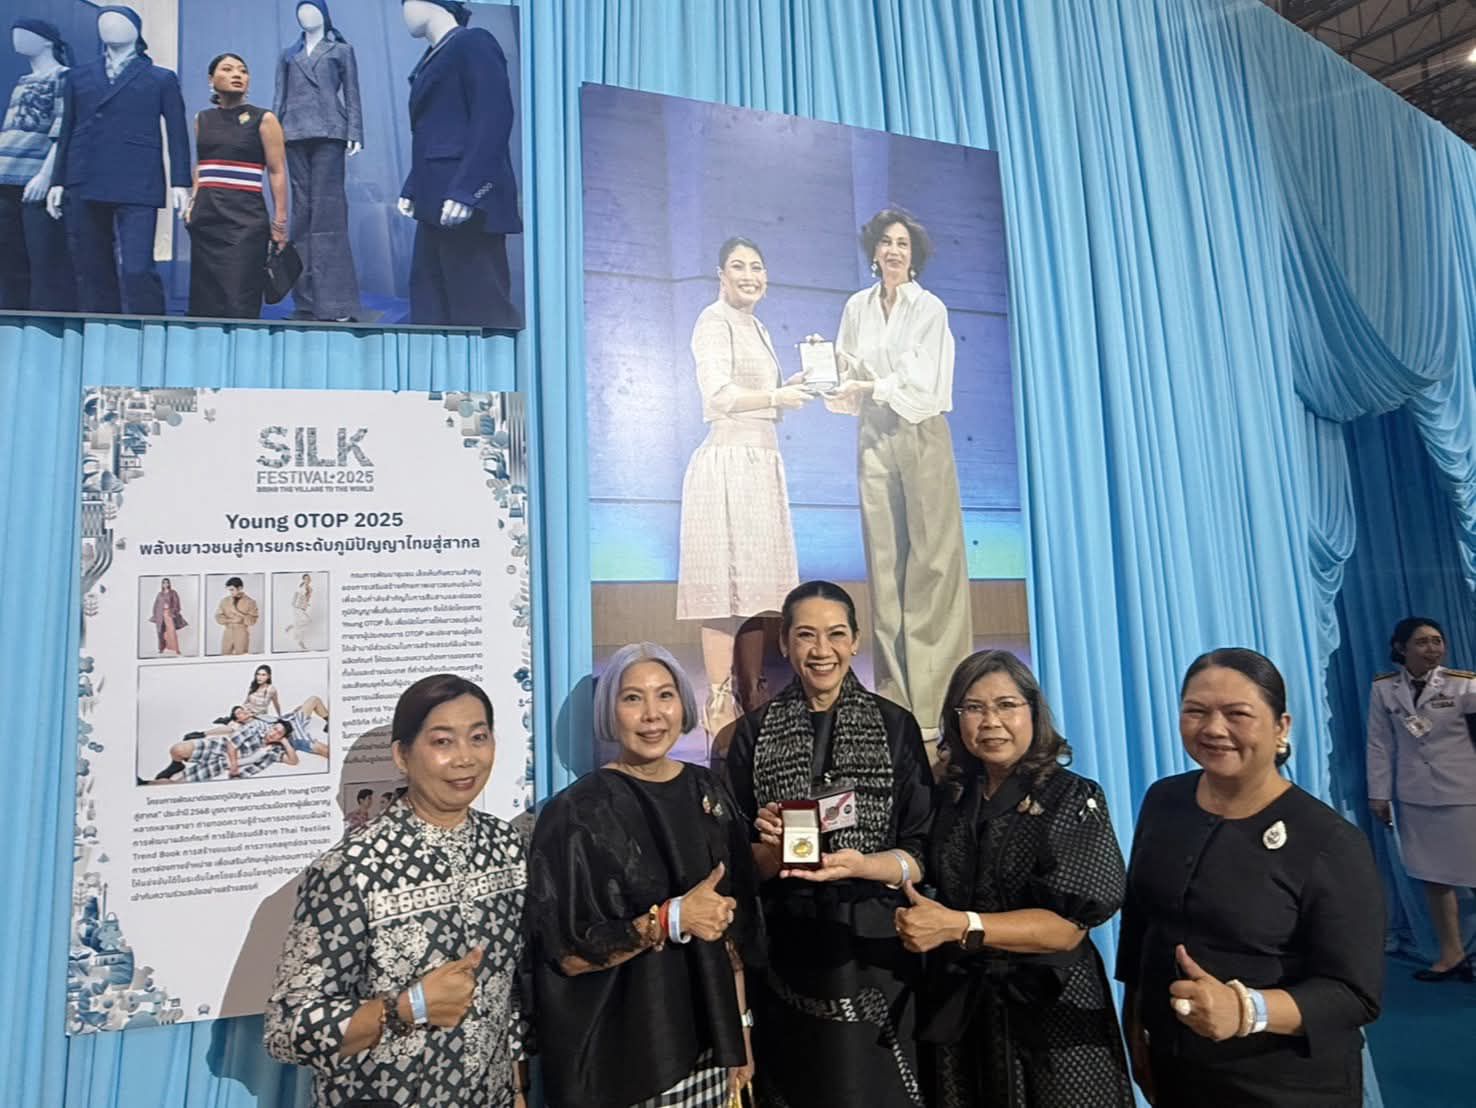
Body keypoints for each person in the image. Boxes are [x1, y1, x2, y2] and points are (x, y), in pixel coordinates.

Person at [1118, 648, 1384, 1107]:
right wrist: (1134, 1024)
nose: (1213, 728)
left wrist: (1246, 1010)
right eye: (1196, 711)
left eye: (1237, 714)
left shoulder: (1329, 841)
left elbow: (1354, 995)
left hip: (1285, 1083)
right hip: (1176, 1065)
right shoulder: (1164, 801)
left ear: (1281, 727)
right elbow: (1142, 924)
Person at [265, 673, 531, 1107]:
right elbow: (287, 1029)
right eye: (443, 742)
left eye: (478, 737)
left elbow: (509, 992)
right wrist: (407, 1008)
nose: (466, 758)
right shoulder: (350, 869)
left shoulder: (506, 847)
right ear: (402, 755)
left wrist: (517, 1091)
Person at [726, 580, 934, 1107]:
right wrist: (772, 849)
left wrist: (863, 865)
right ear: (785, 643)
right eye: (806, 635)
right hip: (787, 951)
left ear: (856, 641)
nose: (822, 650)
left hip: (876, 947)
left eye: (836, 634)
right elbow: (737, 868)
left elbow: (920, 854)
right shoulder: (751, 735)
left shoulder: (895, 726)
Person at [528, 642, 761, 1107]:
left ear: (683, 704)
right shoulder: (575, 814)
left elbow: (730, 932)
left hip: (709, 1049)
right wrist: (671, 919)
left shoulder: (707, 791)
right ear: (609, 710)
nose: (652, 714)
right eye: (632, 698)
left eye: (665, 695)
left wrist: (741, 1032)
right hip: (621, 1061)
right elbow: (566, 952)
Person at [895, 650, 1132, 1106]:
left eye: (1006, 705)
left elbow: (1067, 928)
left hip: (1051, 1009)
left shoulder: (1071, 796)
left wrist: (960, 925)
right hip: (966, 1009)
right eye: (974, 708)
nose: (991, 721)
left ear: (1033, 712)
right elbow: (920, 861)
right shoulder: (952, 797)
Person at [823, 208, 971, 748]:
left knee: (931, 566)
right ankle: (895, 701)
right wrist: (826, 381)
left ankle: (937, 704)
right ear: (874, 250)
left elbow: (925, 384)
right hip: (874, 434)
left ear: (914, 254)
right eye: (886, 242)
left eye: (903, 243)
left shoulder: (929, 308)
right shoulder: (857, 307)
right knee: (884, 569)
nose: (893, 250)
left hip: (920, 430)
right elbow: (846, 375)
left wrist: (869, 386)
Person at [676, 236, 809, 744]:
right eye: (738, 266)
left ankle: (753, 697)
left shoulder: (757, 326)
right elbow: (719, 394)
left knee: (756, 593)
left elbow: (763, 397)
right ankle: (720, 707)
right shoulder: (713, 321)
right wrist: (777, 394)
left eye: (757, 266)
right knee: (723, 593)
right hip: (729, 463)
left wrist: (794, 386)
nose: (750, 275)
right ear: (721, 275)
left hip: (760, 462)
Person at [48, 5, 191, 315]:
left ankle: (151, 327)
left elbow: (177, 133)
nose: (109, 28)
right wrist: (57, 180)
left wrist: (181, 182)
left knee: (137, 269)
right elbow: (67, 129)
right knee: (92, 268)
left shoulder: (160, 78)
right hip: (84, 174)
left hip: (138, 178)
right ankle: (101, 327)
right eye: (104, 22)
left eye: (118, 22)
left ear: (136, 30)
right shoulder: (78, 76)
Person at [398, 0, 521, 328]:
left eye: (406, 2)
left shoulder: (474, 42)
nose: (404, 12)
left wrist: (468, 191)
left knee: (480, 308)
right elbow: (433, 132)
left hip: (465, 205)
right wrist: (413, 186)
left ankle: (493, 365)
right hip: (433, 203)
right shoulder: (432, 57)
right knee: (430, 308)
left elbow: (493, 117)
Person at [1367, 616, 1476, 981]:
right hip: (1415, 794)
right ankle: (1451, 954)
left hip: (1464, 792)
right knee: (1433, 876)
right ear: (1401, 648)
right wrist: (1379, 794)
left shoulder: (1465, 685)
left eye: (1437, 641)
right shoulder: (1385, 688)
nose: (1432, 649)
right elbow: (1379, 743)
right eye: (1423, 642)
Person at [273, 2, 362, 321]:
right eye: (301, 9)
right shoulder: (288, 54)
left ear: (324, 14)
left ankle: (336, 302)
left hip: (329, 131)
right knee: (302, 215)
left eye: (312, 8)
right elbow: (279, 96)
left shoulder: (341, 50)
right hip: (294, 132)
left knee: (329, 214)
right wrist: (273, 133)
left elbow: (352, 93)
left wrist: (355, 132)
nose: (305, 15)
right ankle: (307, 300)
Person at [186, 53, 288, 318]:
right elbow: (202, 164)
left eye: (242, 71)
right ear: (211, 79)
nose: (237, 75)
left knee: (238, 300)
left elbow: (277, 171)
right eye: (228, 69)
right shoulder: (202, 119)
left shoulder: (264, 119)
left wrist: (279, 223)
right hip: (207, 219)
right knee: (205, 302)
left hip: (245, 221)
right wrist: (193, 201)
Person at [0, 18, 75, 312]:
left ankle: (42, 322)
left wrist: (47, 175)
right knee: (9, 257)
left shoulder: (64, 77)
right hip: (6, 176)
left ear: (46, 41)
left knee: (43, 258)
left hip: (34, 180)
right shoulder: (23, 81)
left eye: (25, 34)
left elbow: (62, 129)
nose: (17, 40)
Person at [141, 716, 298, 784]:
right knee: (177, 749)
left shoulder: (273, 752)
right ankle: (176, 764)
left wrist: (285, 742)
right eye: (274, 729)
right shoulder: (255, 729)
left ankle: (146, 784)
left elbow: (293, 761)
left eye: (279, 733)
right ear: (271, 726)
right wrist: (235, 766)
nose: (274, 733)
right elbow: (231, 744)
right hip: (219, 748)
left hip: (221, 765)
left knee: (176, 784)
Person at [214, 577, 259, 655]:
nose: (230, 592)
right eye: (229, 590)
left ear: (240, 588)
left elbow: (252, 621)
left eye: (232, 590)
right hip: (228, 632)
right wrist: (230, 620)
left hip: (241, 632)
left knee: (241, 656)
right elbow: (218, 617)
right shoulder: (224, 601)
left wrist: (240, 616)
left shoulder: (250, 602)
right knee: (225, 655)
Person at [148, 577, 187, 655]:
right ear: (162, 584)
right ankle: (161, 648)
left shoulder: (173, 593)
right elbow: (156, 605)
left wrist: (172, 611)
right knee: (160, 632)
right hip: (160, 615)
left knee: (172, 631)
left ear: (169, 584)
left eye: (167, 582)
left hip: (169, 614)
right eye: (164, 583)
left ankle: (176, 649)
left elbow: (176, 603)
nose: (165, 584)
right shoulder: (159, 594)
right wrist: (155, 615)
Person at [283, 572, 314, 649]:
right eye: (306, 578)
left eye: (309, 578)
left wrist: (307, 604)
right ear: (303, 579)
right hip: (297, 606)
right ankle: (300, 641)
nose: (308, 580)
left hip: (303, 607)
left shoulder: (310, 588)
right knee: (305, 621)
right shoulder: (301, 587)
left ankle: (292, 626)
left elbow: (307, 598)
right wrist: (293, 603)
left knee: (304, 622)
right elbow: (296, 594)